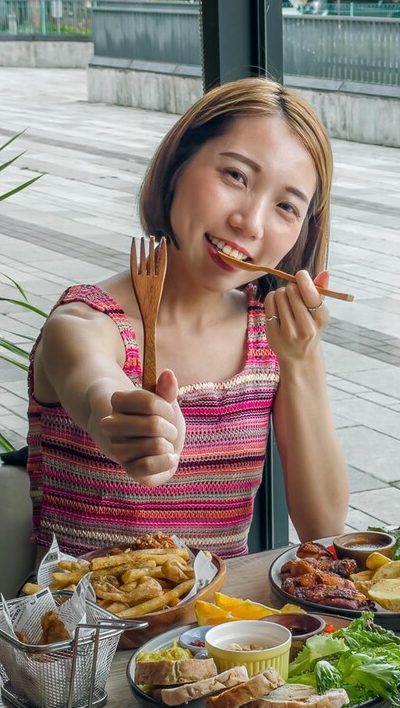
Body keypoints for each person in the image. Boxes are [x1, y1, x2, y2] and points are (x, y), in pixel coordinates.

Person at [27, 77, 349, 558]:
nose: (250, 222)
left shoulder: (274, 337)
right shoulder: (83, 322)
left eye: (286, 206)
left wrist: (301, 360)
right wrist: (134, 428)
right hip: (82, 608)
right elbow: (97, 394)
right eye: (235, 176)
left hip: (224, 611)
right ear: (177, 166)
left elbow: (324, 529)